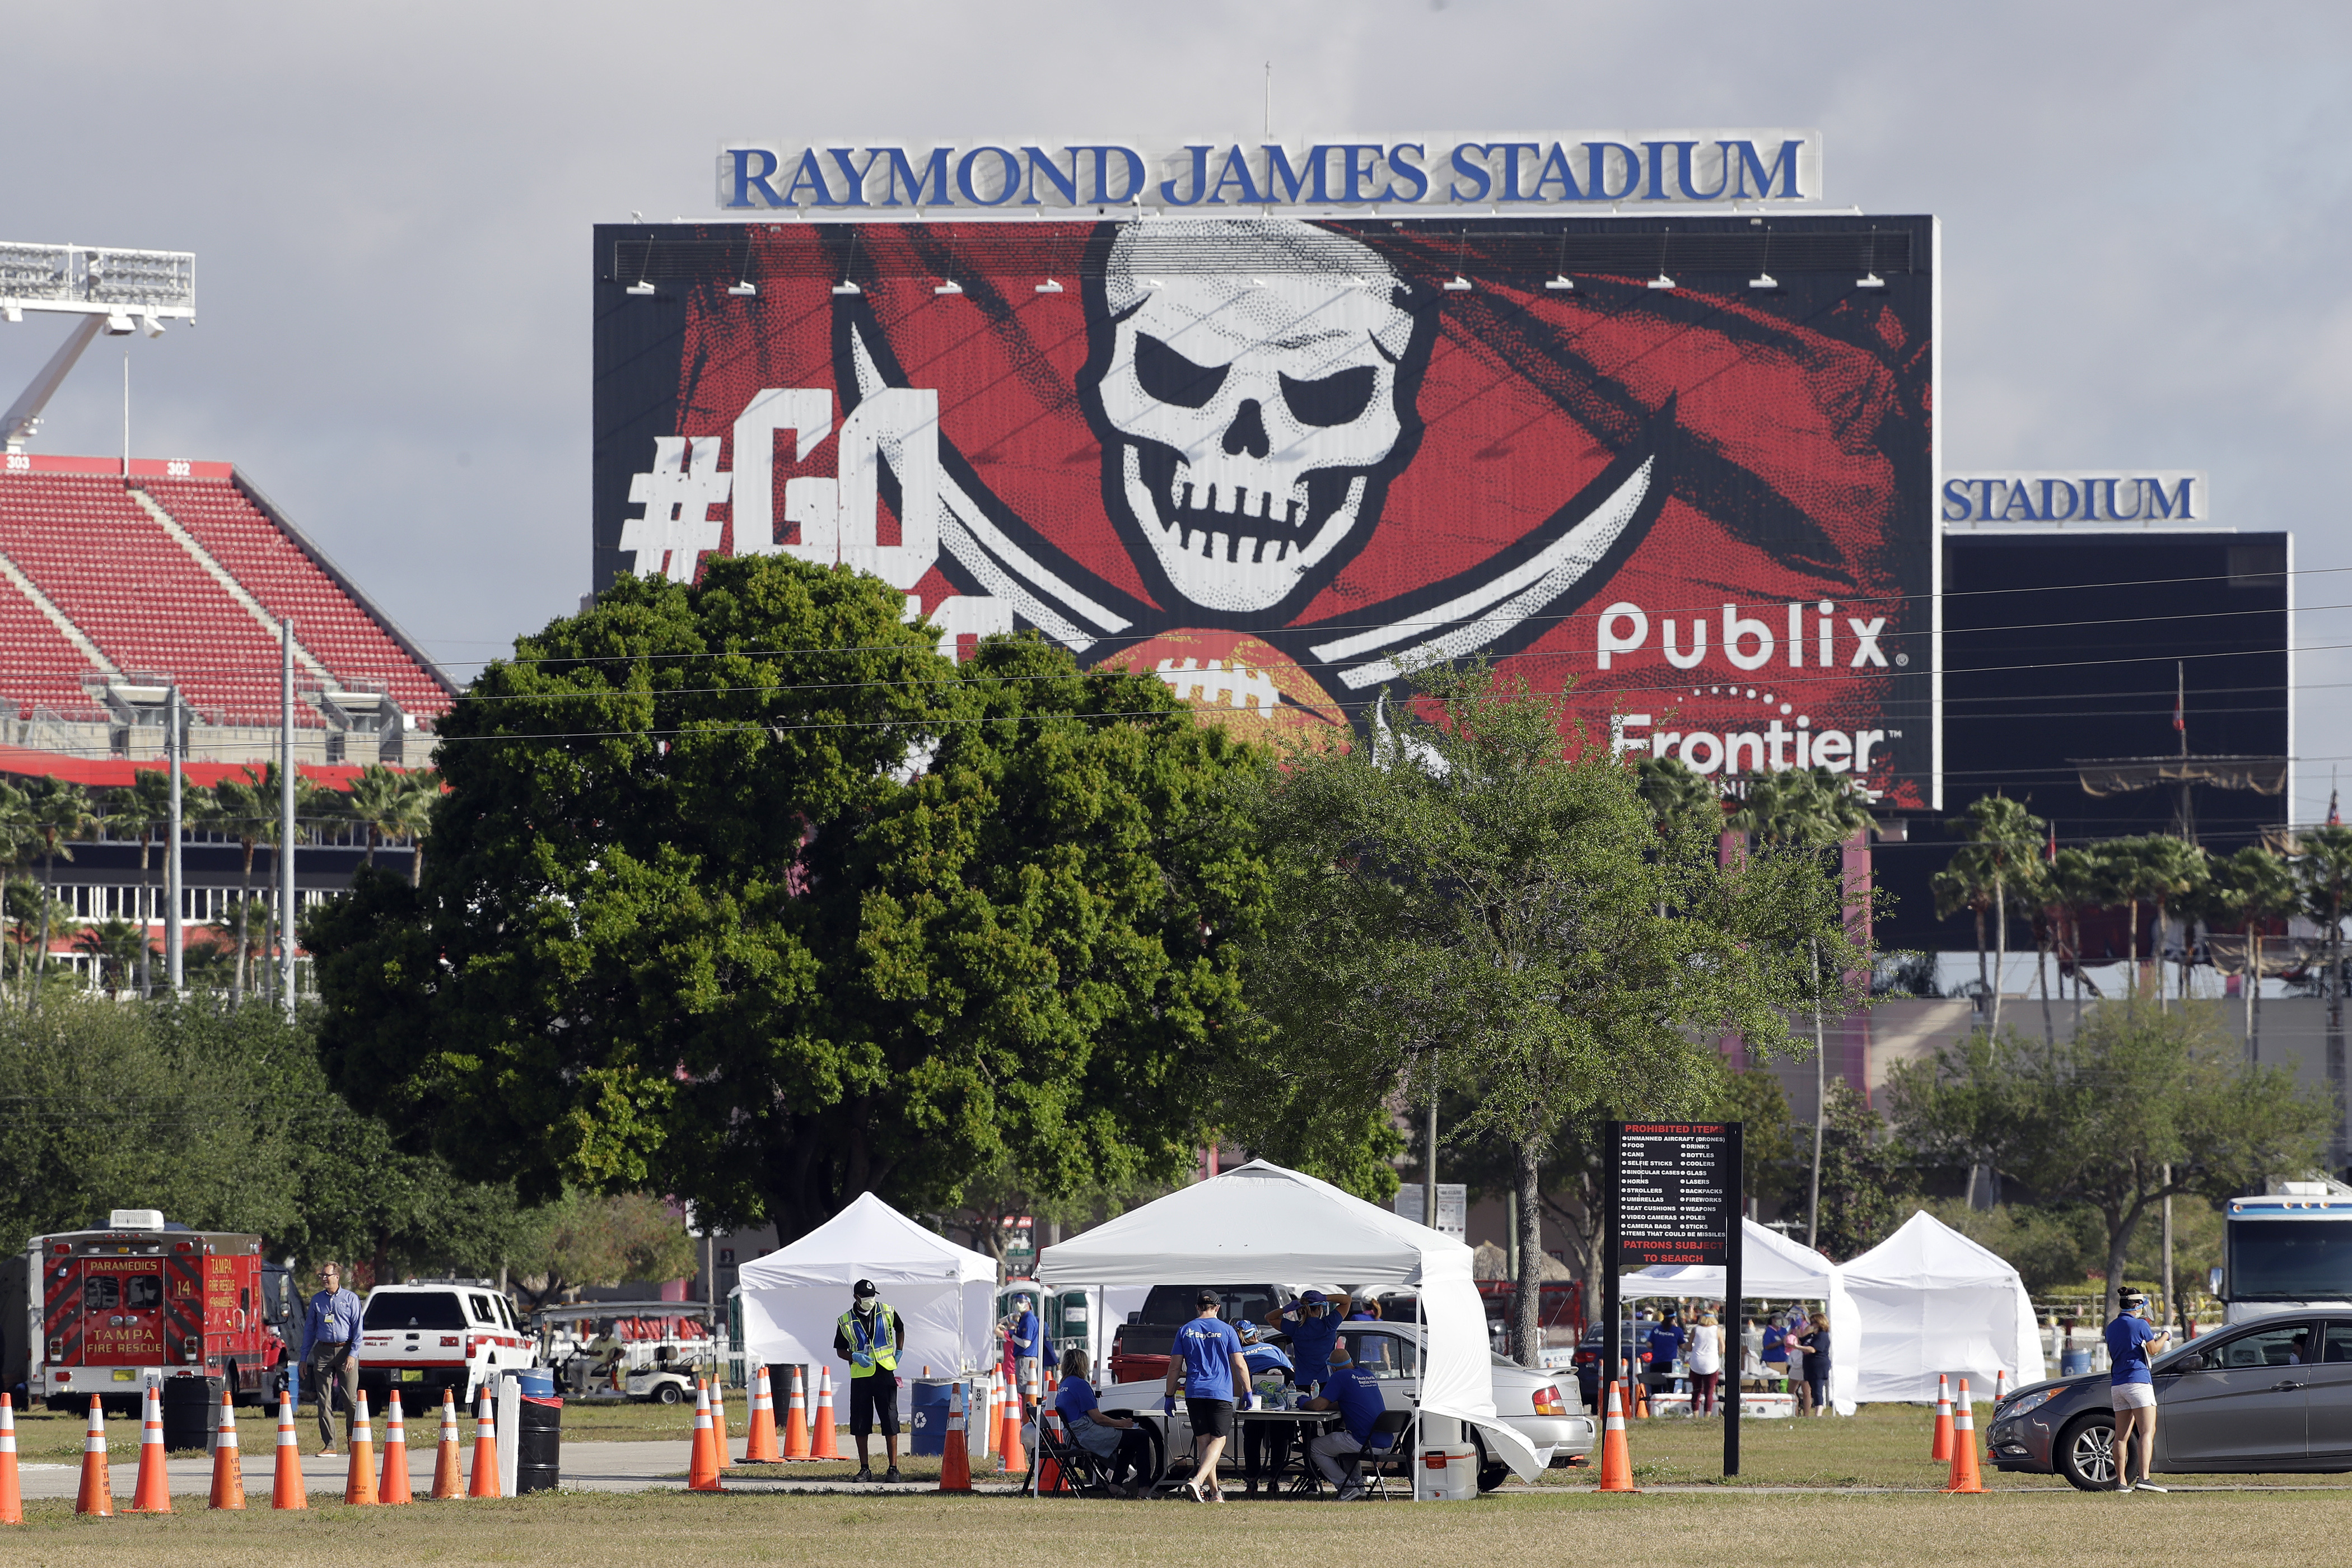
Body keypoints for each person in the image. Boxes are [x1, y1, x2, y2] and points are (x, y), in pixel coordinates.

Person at [1161, 1290, 1252, 1503]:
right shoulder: (1227, 1330)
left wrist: (1169, 1395)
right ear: (1218, 1308)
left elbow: (1174, 1368)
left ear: (1197, 1307)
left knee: (1204, 1441)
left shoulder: (1186, 1330)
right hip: (1219, 1392)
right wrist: (1248, 1391)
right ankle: (1198, 1480)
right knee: (1219, 1439)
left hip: (1195, 1392)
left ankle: (1215, 1494)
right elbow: (1239, 1364)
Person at [832, 1278, 906, 1483]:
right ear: (857, 1298)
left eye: (873, 1296)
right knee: (861, 1423)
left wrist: (899, 1351)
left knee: (890, 1421)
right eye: (866, 1298)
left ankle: (893, 1469)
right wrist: (855, 1356)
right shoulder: (845, 1320)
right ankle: (865, 1469)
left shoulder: (887, 1311)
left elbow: (900, 1329)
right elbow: (840, 1350)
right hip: (861, 1377)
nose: (870, 1300)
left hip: (885, 1373)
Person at [1301, 1343, 1394, 1502]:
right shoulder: (1366, 1374)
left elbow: (1318, 1406)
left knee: (1314, 1447)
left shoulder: (1340, 1376)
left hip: (1365, 1441)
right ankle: (1358, 1487)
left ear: (1333, 1368)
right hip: (1385, 1442)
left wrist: (1303, 1402)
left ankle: (1346, 1487)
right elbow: (1348, 1401)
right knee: (1346, 1448)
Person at [1053, 1348, 1151, 1497]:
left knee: (1133, 1439)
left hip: (1072, 1435)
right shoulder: (1080, 1385)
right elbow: (1097, 1418)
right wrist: (1122, 1424)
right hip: (1084, 1435)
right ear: (1082, 1364)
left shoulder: (1064, 1385)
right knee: (1142, 1436)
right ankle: (1143, 1488)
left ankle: (1116, 1485)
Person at [2105, 1287, 2171, 1492]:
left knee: (2121, 1436)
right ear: (2136, 1305)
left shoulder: (2112, 1327)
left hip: (2118, 1384)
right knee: (2147, 1431)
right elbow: (2153, 1349)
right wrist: (2165, 1336)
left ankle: (2122, 1482)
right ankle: (2144, 1478)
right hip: (2138, 1382)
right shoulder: (2140, 1325)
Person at [301, 1261, 363, 1455]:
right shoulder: (317, 1301)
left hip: (346, 1350)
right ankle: (330, 1445)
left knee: (350, 1399)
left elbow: (358, 1330)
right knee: (323, 1400)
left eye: (327, 1275)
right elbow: (310, 1330)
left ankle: (354, 1440)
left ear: (337, 1277)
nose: (324, 1279)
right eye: (322, 1276)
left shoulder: (350, 1299)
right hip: (323, 1351)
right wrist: (304, 1358)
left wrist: (353, 1354)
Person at [1235, 1321, 1296, 1496]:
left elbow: (1237, 1376)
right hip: (1280, 1392)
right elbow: (1290, 1370)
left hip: (1258, 1394)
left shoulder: (1238, 1352)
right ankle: (1274, 1480)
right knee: (1280, 1439)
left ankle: (1252, 1481)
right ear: (1255, 1333)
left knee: (1252, 1438)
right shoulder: (1271, 1348)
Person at [1264, 1290, 1342, 1393]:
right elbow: (1347, 1300)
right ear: (1320, 1308)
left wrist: (1286, 1309)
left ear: (1301, 1309)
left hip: (1302, 1383)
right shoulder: (1329, 1324)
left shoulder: (1296, 1328)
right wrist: (1325, 1297)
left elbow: (1269, 1318)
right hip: (1326, 1381)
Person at [1795, 1312, 1831, 1416]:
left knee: (1818, 1389)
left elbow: (1813, 1349)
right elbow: (1800, 1340)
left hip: (1819, 1366)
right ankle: (1815, 1410)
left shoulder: (1822, 1336)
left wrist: (1797, 1347)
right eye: (1811, 1322)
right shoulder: (1812, 1335)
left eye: (1814, 1322)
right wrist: (1796, 1328)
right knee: (1812, 1389)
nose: (1812, 1325)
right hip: (1809, 1366)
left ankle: (1818, 1413)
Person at [1687, 1312, 1724, 1416]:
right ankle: (1707, 1415)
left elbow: (1689, 1347)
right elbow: (1722, 1349)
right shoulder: (1718, 1330)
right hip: (1711, 1363)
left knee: (1696, 1390)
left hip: (1696, 1362)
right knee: (1709, 1391)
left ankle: (1695, 1414)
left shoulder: (1696, 1329)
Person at [1007, 1294, 1042, 1402]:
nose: (1018, 1304)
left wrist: (1012, 1335)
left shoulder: (1028, 1319)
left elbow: (1026, 1343)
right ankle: (1027, 1415)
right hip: (1026, 1358)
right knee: (1027, 1391)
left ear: (1029, 1304)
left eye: (1021, 1301)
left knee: (1025, 1391)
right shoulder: (1025, 1319)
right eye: (1017, 1301)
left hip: (1026, 1358)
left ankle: (1027, 1416)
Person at [1645, 1313, 1684, 1401]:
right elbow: (1683, 1346)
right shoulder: (1677, 1330)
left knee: (1656, 1390)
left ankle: (1655, 1409)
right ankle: (1667, 1408)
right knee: (1669, 1390)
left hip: (1656, 1363)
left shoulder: (1656, 1329)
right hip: (1670, 1363)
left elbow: (1649, 1345)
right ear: (1674, 1319)